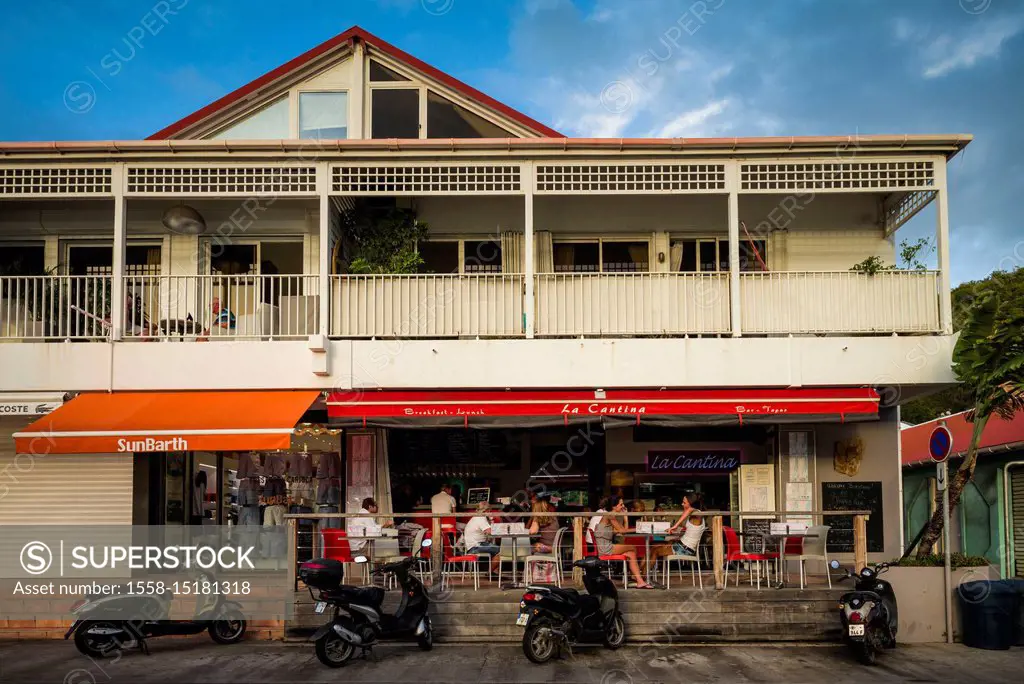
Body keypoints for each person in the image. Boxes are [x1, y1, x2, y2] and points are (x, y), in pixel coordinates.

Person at [595, 497, 654, 589]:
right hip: (605, 548)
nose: (623, 506)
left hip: (606, 546)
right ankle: (635, 576)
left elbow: (620, 531)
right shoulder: (609, 515)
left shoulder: (610, 516)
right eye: (621, 504)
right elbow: (622, 531)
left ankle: (640, 581)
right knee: (632, 547)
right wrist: (638, 527)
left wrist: (625, 519)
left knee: (631, 553)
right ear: (614, 506)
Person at [463, 502, 500, 574]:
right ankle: (490, 573)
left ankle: (495, 573)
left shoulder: (477, 517)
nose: (490, 512)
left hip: (473, 546)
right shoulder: (481, 518)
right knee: (501, 551)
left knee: (495, 550)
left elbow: (488, 532)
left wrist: (490, 521)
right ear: (487, 510)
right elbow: (490, 531)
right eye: (489, 510)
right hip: (476, 547)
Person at [527, 499, 559, 583]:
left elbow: (532, 531)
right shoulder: (553, 517)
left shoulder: (538, 518)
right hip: (554, 548)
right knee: (531, 546)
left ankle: (528, 577)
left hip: (545, 548)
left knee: (524, 549)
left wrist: (533, 518)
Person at [668, 492, 706, 559]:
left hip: (685, 549)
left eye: (684, 503)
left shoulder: (697, 514)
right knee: (662, 544)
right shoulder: (694, 514)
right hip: (683, 546)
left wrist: (675, 526)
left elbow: (690, 509)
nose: (682, 504)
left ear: (691, 504)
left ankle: (646, 569)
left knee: (654, 550)